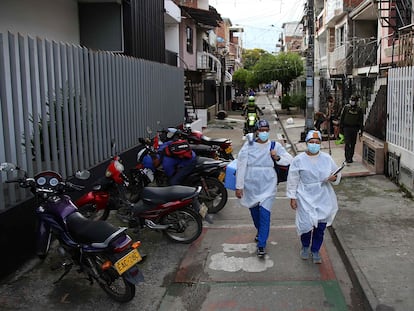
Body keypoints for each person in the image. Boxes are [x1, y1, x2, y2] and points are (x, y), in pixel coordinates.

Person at [235, 119, 293, 258]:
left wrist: (277, 157)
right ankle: (260, 232)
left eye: (266, 130)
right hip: (251, 183)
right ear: (256, 131)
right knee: (255, 213)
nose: (264, 133)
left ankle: (261, 244)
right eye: (261, 130)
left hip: (268, 183)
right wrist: (239, 186)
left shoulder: (274, 145)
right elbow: (241, 165)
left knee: (265, 214)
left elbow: (290, 159)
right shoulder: (248, 146)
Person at [286, 130, 341, 264]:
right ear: (307, 143)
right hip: (305, 195)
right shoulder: (298, 160)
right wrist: (292, 197)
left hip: (323, 195)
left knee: (321, 226)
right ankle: (305, 246)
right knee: (306, 225)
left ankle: (315, 249)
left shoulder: (327, 158)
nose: (314, 144)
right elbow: (293, 179)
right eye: (311, 142)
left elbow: (336, 174)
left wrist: (334, 178)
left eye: (317, 142)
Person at [339, 95, 364, 164]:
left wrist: (361, 131)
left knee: (353, 144)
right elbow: (342, 118)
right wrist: (340, 128)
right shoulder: (346, 108)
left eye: (353, 100)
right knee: (347, 143)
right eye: (351, 100)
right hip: (346, 128)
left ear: (356, 101)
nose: (352, 101)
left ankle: (351, 157)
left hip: (354, 128)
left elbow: (361, 120)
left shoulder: (359, 109)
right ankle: (347, 158)